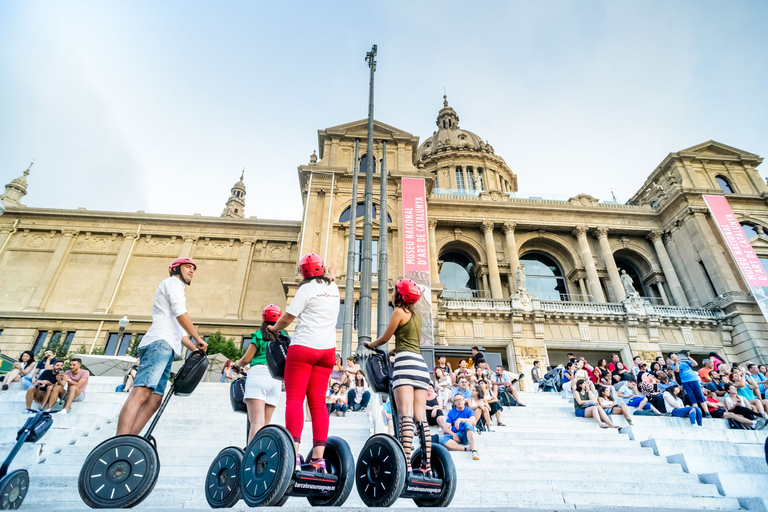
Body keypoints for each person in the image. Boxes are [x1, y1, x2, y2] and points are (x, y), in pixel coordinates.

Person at [116, 257, 208, 436]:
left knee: (155, 400)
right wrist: (198, 338)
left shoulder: (177, 289)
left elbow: (180, 334)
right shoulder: (172, 283)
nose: (191, 271)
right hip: (159, 343)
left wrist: (195, 349)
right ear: (175, 269)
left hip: (167, 347)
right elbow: (180, 313)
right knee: (142, 392)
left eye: (193, 269)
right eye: (187, 267)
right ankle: (119, 441)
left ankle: (131, 440)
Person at [267, 253, 339, 472]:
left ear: (302, 272)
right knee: (317, 403)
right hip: (327, 352)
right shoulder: (334, 289)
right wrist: (331, 274)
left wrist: (274, 328)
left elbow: (288, 317)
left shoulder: (305, 289)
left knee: (295, 400)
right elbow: (331, 279)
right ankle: (319, 460)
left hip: (303, 349)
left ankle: (295, 454)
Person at [366, 278, 433, 477]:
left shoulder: (398, 312)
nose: (392, 294)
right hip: (421, 367)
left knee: (405, 415)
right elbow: (410, 342)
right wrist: (396, 349)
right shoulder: (417, 316)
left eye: (394, 291)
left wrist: (372, 345)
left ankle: (406, 464)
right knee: (421, 418)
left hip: (405, 365)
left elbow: (385, 338)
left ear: (400, 295)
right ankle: (426, 466)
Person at [234, 304, 286, 442]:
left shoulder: (258, 335)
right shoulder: (284, 336)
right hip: (275, 379)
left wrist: (236, 364)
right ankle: (262, 457)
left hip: (258, 376)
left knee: (256, 423)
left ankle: (250, 458)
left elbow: (246, 359)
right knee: (265, 425)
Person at [439, 393, 480, 460]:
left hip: (466, 434)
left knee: (468, 424)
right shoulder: (451, 412)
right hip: (456, 436)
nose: (459, 401)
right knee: (441, 438)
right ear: (454, 402)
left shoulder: (469, 411)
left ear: (464, 401)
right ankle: (465, 449)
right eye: (457, 400)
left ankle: (474, 451)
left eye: (461, 399)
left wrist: (460, 419)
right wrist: (454, 435)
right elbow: (446, 428)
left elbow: (473, 422)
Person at [672, 352, 709, 418]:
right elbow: (677, 371)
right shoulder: (673, 365)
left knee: (700, 395)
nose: (674, 358)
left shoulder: (686, 362)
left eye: (675, 356)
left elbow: (695, 364)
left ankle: (707, 412)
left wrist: (688, 357)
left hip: (694, 380)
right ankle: (698, 413)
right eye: (672, 357)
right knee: (691, 396)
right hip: (685, 382)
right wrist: (677, 362)